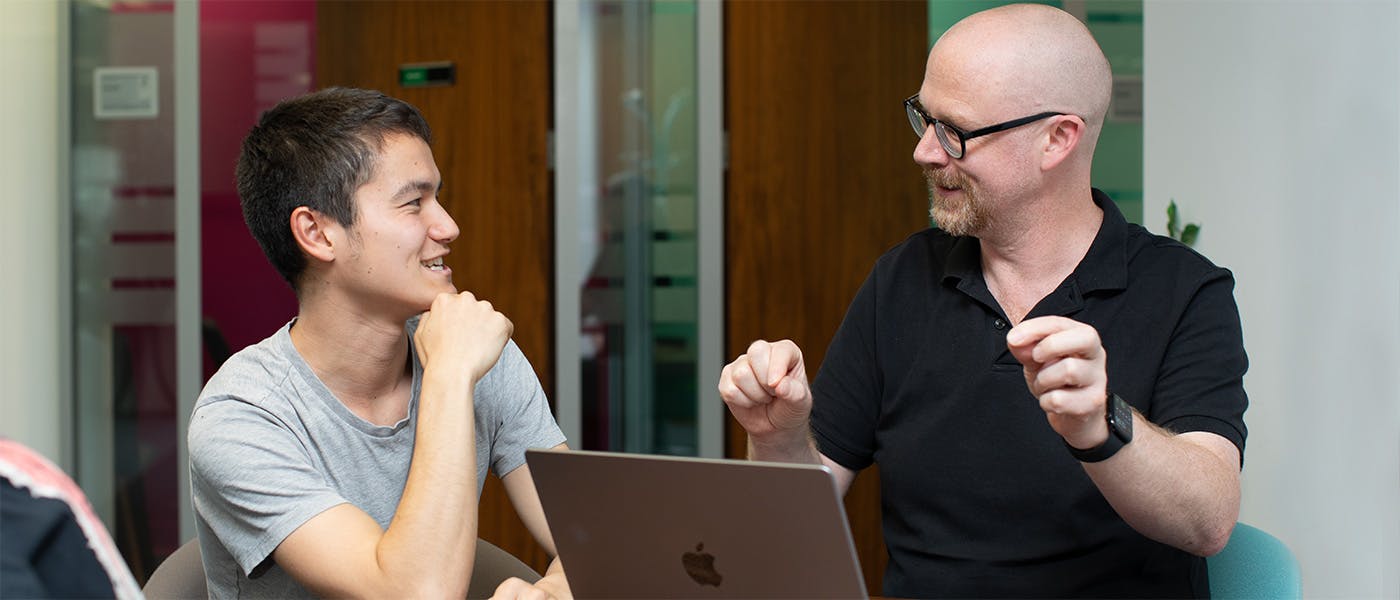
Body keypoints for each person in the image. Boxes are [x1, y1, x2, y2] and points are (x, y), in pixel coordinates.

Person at [717, 4, 1247, 598]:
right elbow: (788, 525)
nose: (925, 152)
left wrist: (1100, 424)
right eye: (924, 118)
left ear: (1057, 139)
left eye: (956, 132)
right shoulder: (901, 280)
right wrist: (778, 438)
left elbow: (1207, 520)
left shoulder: (1185, 291)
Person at [189, 87, 569, 599]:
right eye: (414, 204)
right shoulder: (240, 416)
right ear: (318, 234)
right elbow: (415, 594)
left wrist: (554, 590)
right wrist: (450, 377)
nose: (449, 226)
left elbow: (598, 543)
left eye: (438, 197)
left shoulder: (478, 356)